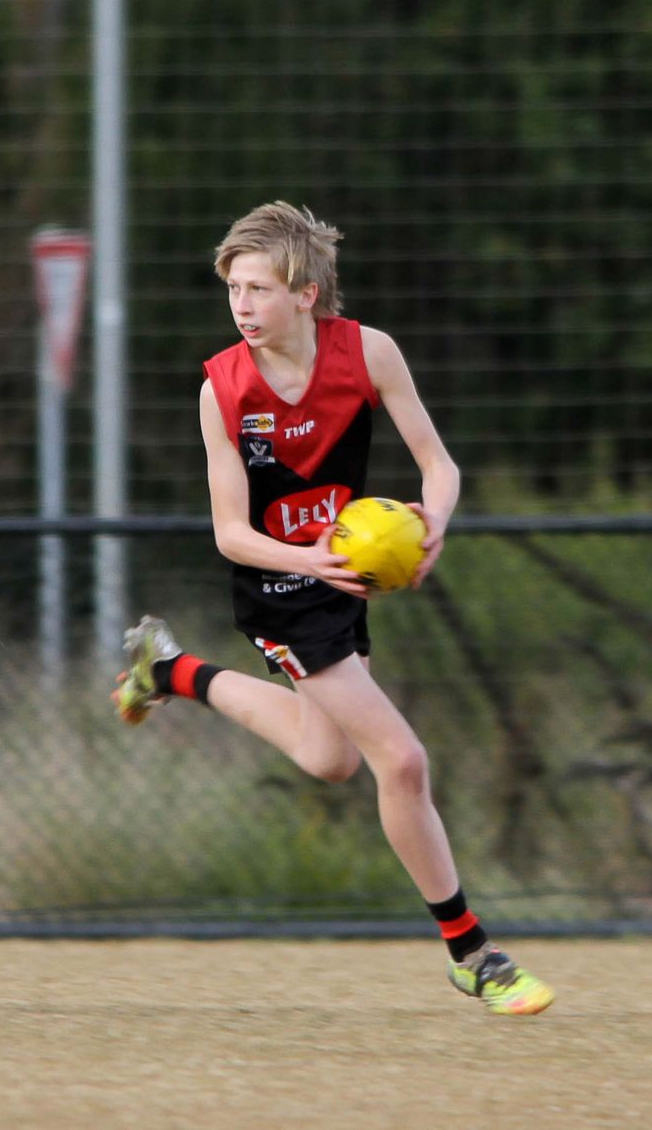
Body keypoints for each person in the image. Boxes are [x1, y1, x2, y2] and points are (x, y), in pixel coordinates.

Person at [113, 201, 553, 1016]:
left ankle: (169, 671)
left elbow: (439, 465)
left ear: (306, 293)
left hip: (340, 575)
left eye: (259, 289)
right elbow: (232, 535)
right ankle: (474, 954)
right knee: (402, 760)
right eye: (234, 289)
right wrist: (307, 559)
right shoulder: (223, 389)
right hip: (281, 586)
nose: (242, 305)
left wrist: (434, 521)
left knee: (331, 760)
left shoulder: (368, 353)